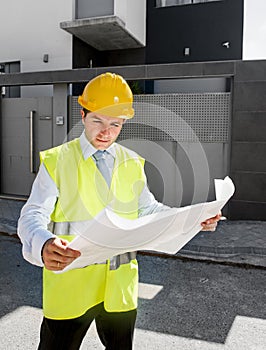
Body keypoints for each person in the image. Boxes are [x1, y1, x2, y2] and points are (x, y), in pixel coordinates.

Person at [18, 72, 221, 350]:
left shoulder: (132, 162)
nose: (106, 132)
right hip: (71, 287)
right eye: (97, 120)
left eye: (115, 124)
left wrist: (194, 219)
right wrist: (43, 243)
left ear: (124, 122)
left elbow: (149, 209)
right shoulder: (58, 161)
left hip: (119, 289)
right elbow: (32, 215)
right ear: (83, 114)